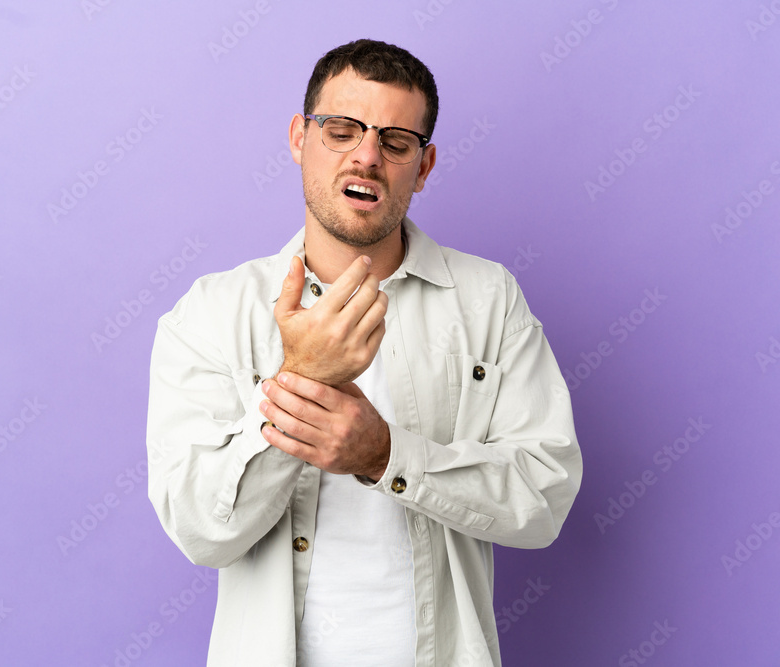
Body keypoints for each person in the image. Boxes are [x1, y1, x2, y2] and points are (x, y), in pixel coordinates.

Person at [147, 38, 582, 667]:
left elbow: (543, 500)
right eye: (342, 131)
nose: (367, 157)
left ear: (423, 167)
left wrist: (386, 456)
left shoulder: (489, 300)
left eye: (396, 141)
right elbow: (202, 530)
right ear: (300, 138)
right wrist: (304, 376)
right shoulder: (211, 313)